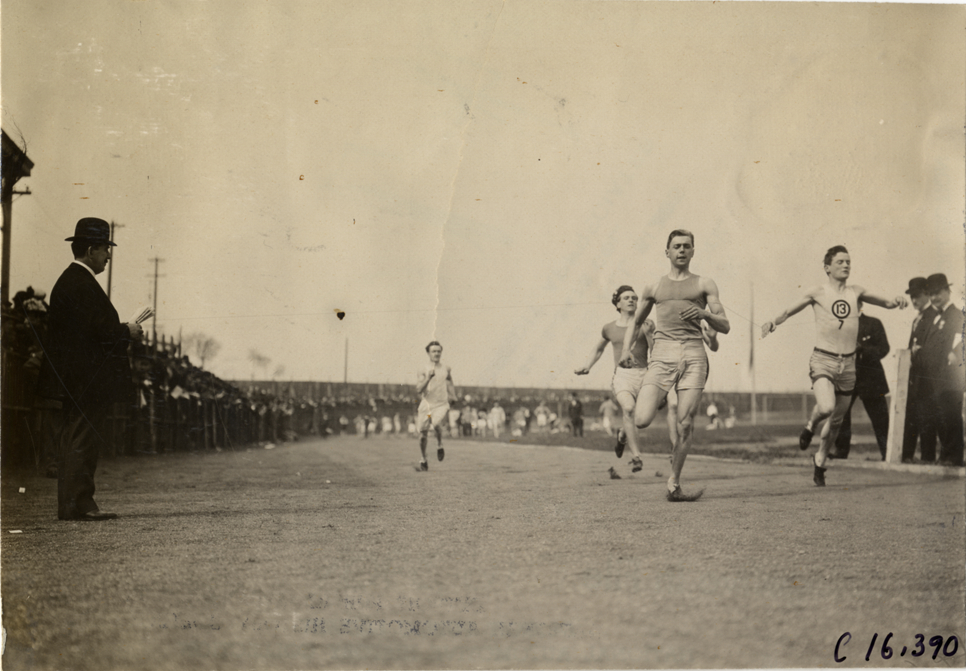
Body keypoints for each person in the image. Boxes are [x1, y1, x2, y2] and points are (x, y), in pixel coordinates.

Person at [761, 245, 906, 486]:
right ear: (827, 267)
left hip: (848, 366)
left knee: (837, 421)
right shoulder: (817, 292)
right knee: (826, 407)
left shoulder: (856, 291)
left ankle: (819, 462)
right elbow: (788, 310)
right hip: (823, 360)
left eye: (848, 261)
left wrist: (896, 301)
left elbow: (886, 302)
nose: (846, 265)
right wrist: (772, 322)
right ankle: (810, 425)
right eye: (840, 262)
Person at [36, 218, 144, 521]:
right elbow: (100, 331)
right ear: (90, 249)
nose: (108, 256)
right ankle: (77, 504)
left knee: (78, 437)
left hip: (78, 377)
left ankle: (79, 503)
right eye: (105, 249)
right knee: (81, 438)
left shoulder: (73, 281)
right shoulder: (80, 284)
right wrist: (128, 331)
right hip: (84, 379)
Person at [620, 230, 730, 500]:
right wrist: (625, 349)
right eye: (676, 246)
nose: (681, 250)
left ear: (693, 251)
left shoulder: (705, 284)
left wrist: (704, 312)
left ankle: (674, 482)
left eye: (687, 246)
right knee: (642, 419)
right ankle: (628, 428)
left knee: (684, 424)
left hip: (694, 354)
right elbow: (635, 322)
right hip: (663, 354)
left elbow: (725, 325)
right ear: (667, 251)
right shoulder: (654, 287)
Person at [575, 285, 651, 472]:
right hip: (623, 376)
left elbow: (656, 347)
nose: (632, 300)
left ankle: (622, 435)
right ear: (617, 303)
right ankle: (636, 457)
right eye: (626, 298)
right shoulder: (609, 328)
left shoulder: (647, 324)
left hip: (645, 375)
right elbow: (599, 348)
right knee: (629, 408)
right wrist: (587, 365)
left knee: (640, 418)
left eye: (634, 297)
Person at [828, 311, 890, 460]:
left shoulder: (873, 323)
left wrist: (863, 349)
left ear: (861, 303)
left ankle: (887, 453)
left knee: (880, 418)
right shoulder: (838, 325)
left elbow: (884, 348)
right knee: (840, 415)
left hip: (871, 379)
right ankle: (841, 452)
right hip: (846, 376)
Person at [923, 273, 964, 467]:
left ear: (948, 291)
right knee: (942, 417)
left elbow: (960, 340)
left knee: (951, 415)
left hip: (952, 378)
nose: (934, 298)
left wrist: (955, 353)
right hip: (937, 378)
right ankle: (946, 455)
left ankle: (954, 457)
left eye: (938, 293)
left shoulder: (956, 314)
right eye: (931, 294)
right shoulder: (935, 317)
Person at [901, 277, 939, 463]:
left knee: (926, 419)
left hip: (928, 378)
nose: (914, 301)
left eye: (917, 296)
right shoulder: (917, 318)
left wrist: (917, 352)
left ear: (927, 294)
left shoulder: (933, 315)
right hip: (915, 378)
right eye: (911, 297)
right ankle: (907, 456)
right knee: (912, 418)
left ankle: (928, 458)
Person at [414, 341, 456, 471]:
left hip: (441, 404)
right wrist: (428, 378)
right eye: (434, 351)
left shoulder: (446, 368)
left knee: (437, 423)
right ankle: (423, 458)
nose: (437, 353)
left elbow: (449, 381)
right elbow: (418, 389)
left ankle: (439, 444)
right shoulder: (423, 369)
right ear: (428, 353)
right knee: (422, 436)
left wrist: (453, 394)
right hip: (426, 405)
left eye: (439, 351)